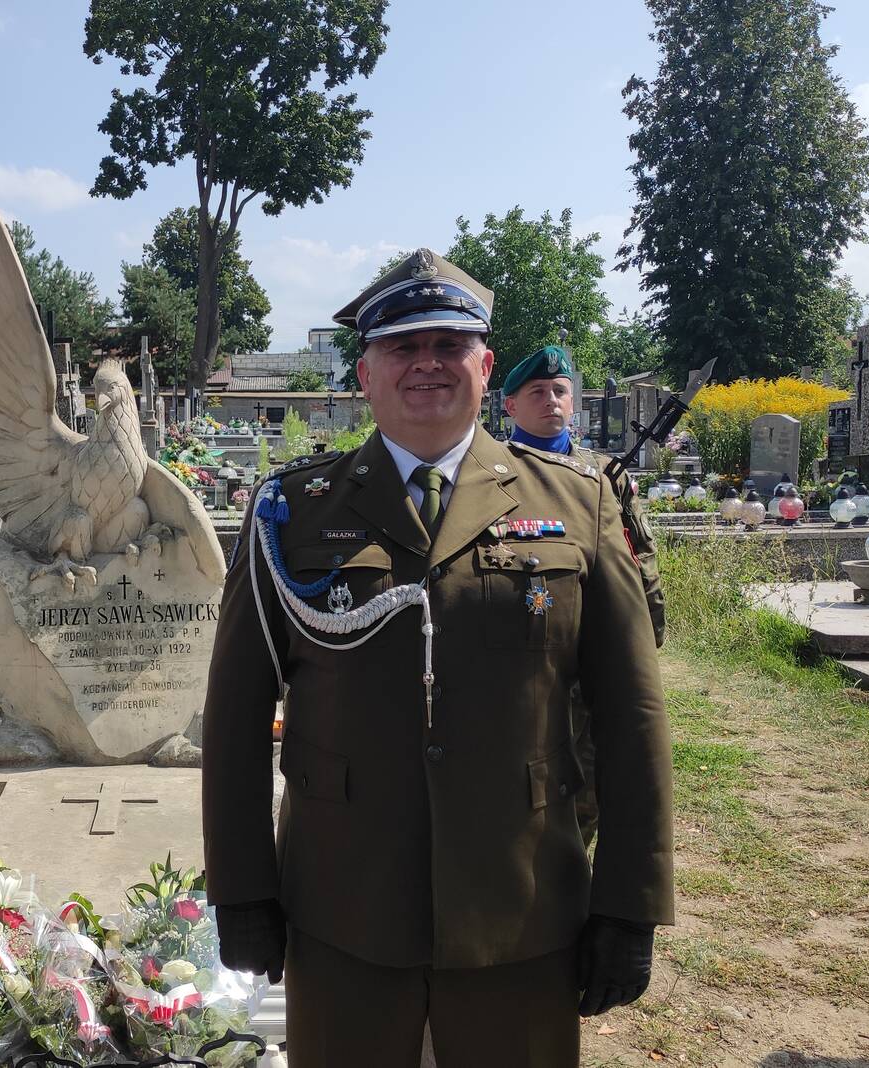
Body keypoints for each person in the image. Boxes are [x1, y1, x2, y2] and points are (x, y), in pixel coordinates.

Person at [201, 250, 673, 1067]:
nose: (427, 364)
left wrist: (629, 905)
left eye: (449, 345)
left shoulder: (578, 504)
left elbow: (632, 717)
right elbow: (237, 715)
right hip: (342, 907)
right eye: (402, 347)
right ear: (366, 375)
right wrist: (242, 892)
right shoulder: (291, 513)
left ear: (485, 367)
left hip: (521, 906)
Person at [501, 345, 668, 845]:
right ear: (510, 405)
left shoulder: (606, 476)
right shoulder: (491, 473)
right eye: (537, 392)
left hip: (596, 643)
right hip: (527, 646)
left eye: (560, 392)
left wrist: (649, 625)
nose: (551, 401)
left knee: (592, 773)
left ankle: (576, 865)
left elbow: (640, 554)